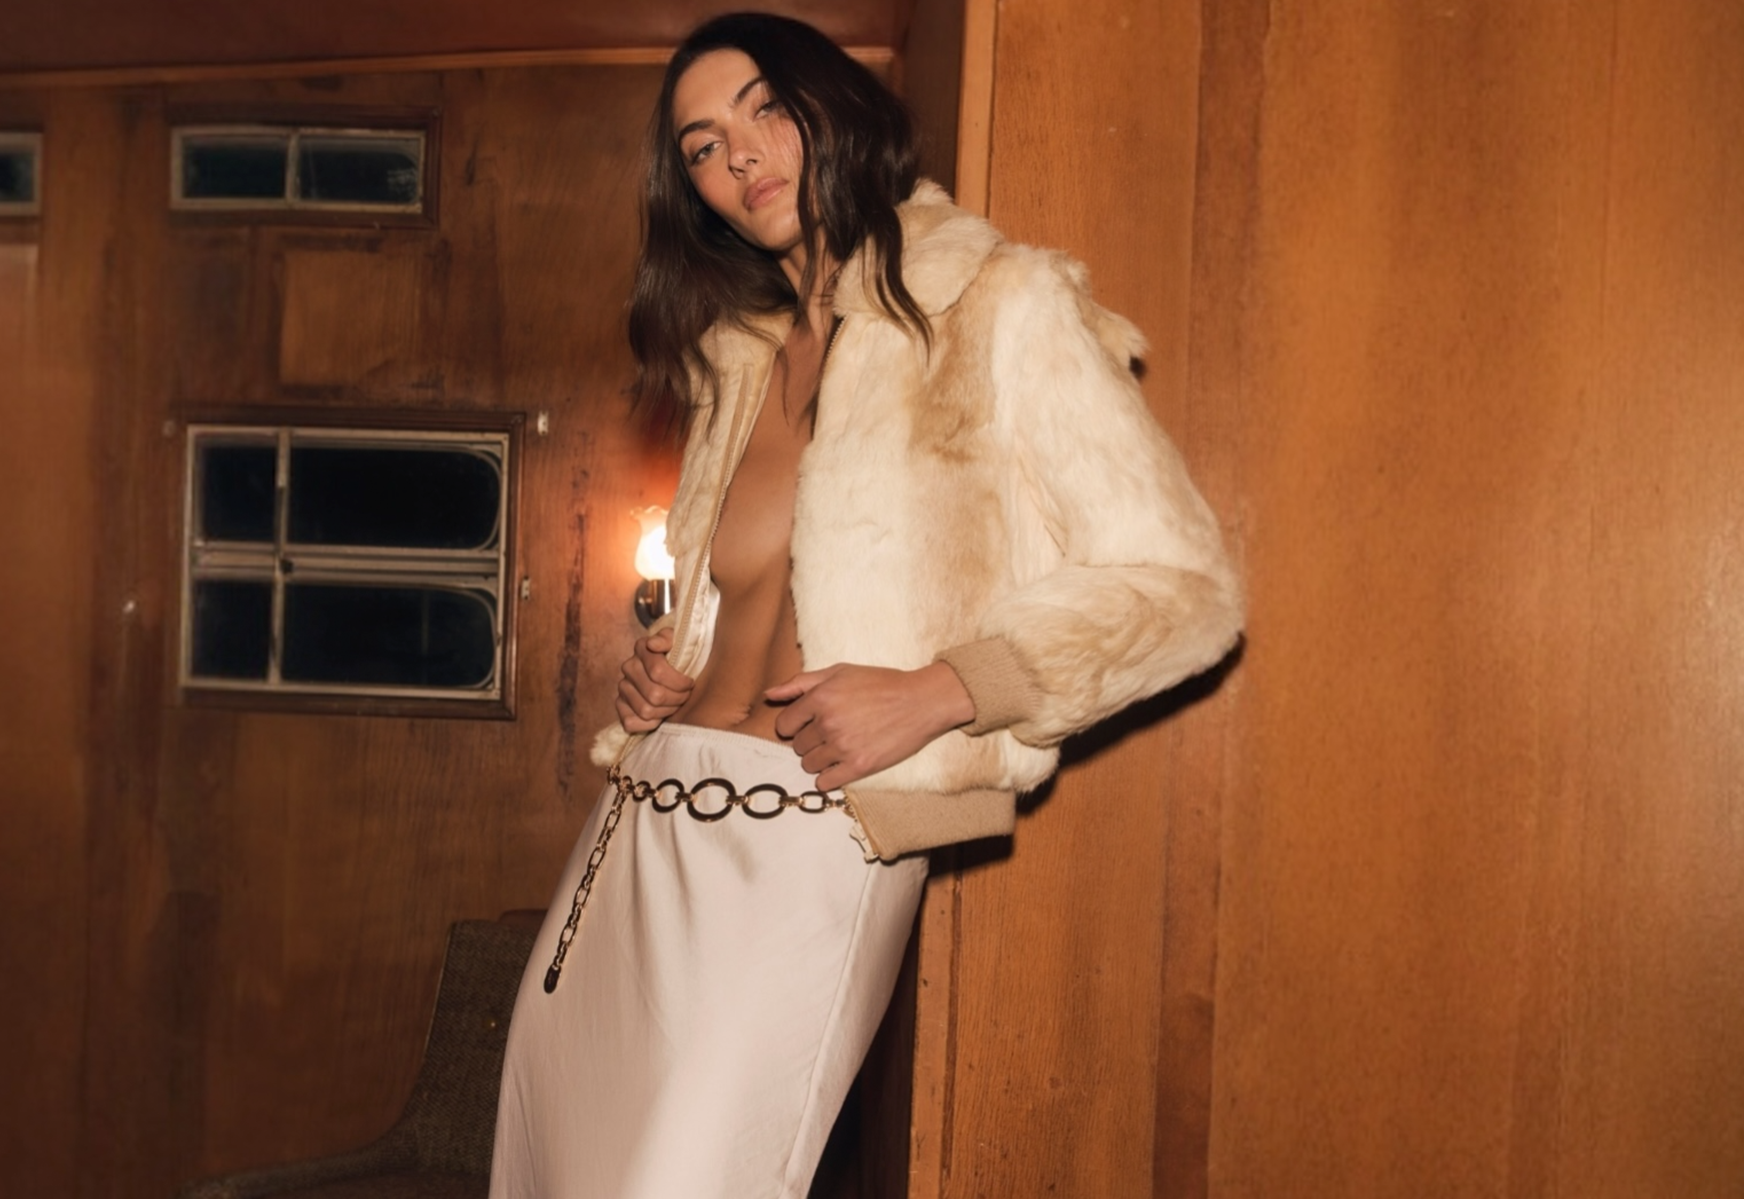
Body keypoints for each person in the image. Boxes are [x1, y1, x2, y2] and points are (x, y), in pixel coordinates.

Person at [489, 12, 1242, 1199]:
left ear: (834, 103)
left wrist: (945, 691)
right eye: (701, 146)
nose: (738, 155)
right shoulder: (735, 359)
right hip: (640, 831)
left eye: (763, 108)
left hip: (817, 843)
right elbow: (749, 591)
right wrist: (665, 668)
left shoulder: (1000, 302)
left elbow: (1189, 589)